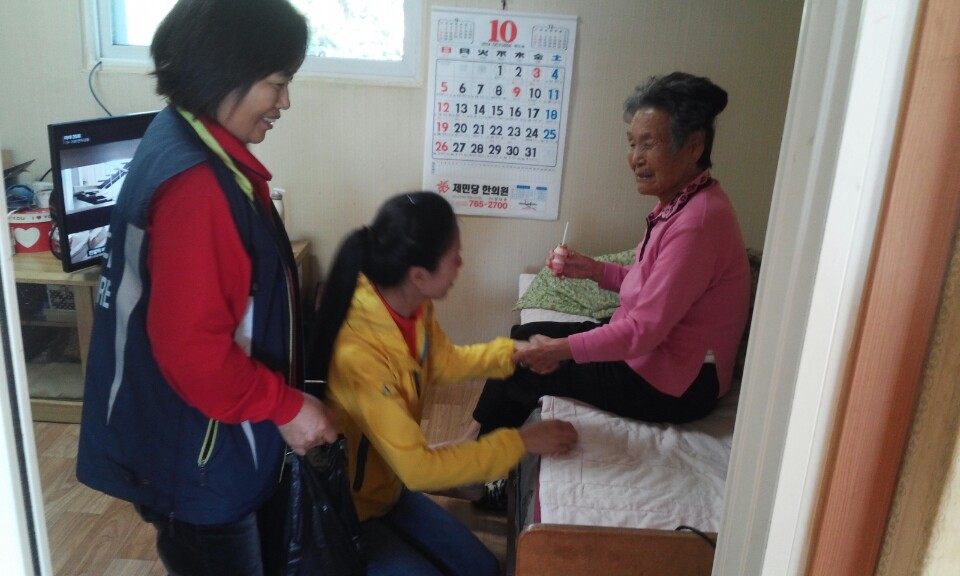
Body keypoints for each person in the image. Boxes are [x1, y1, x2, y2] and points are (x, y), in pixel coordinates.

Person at [75, 1, 338, 574]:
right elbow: (194, 352)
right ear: (225, 73)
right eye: (277, 84)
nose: (285, 103)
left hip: (195, 441)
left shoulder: (176, 137)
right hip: (198, 458)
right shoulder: (197, 186)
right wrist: (287, 406)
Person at [468, 71, 750, 461]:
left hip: (678, 382)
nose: (635, 158)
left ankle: (473, 467)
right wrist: (593, 270)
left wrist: (560, 350)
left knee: (525, 364)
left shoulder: (698, 222)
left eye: (649, 144)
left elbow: (644, 331)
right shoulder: (682, 203)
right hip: (657, 354)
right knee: (525, 335)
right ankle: (471, 444)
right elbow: (653, 286)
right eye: (632, 143)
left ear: (694, 145)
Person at [307, 191, 578, 576]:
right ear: (418, 275)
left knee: (482, 568)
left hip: (388, 489)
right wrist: (522, 442)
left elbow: (441, 362)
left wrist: (513, 353)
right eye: (455, 255)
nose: (461, 264)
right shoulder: (360, 356)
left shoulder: (412, 304)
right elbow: (420, 469)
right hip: (348, 512)